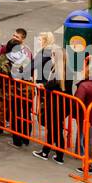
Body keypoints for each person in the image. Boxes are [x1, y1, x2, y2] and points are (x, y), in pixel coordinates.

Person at [32, 31, 67, 163]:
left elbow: (52, 84)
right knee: (54, 129)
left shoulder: (59, 71)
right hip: (59, 104)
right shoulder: (62, 69)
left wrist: (43, 86)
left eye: (53, 55)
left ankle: (57, 155)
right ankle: (48, 152)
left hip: (56, 104)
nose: (51, 57)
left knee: (56, 130)